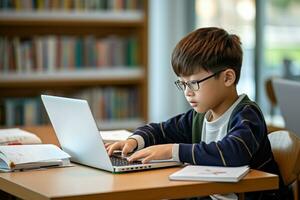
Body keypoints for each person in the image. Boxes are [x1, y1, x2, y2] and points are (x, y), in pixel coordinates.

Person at [106, 27, 288, 199]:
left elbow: (233, 153)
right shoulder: (199, 117)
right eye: (183, 84)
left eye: (193, 83)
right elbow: (161, 130)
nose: (187, 92)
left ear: (227, 78)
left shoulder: (248, 115)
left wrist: (172, 150)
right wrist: (134, 141)